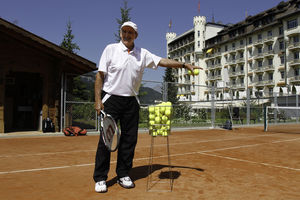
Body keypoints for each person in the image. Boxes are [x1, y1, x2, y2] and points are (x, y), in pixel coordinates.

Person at [93, 21, 202, 193]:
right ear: (121, 33)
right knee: (106, 141)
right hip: (111, 99)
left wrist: (184, 64)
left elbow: (162, 61)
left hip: (131, 102)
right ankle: (100, 178)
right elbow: (100, 76)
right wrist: (98, 100)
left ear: (136, 35)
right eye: (124, 31)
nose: (127, 35)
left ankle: (123, 174)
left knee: (129, 141)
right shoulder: (110, 49)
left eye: (131, 32)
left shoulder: (142, 54)